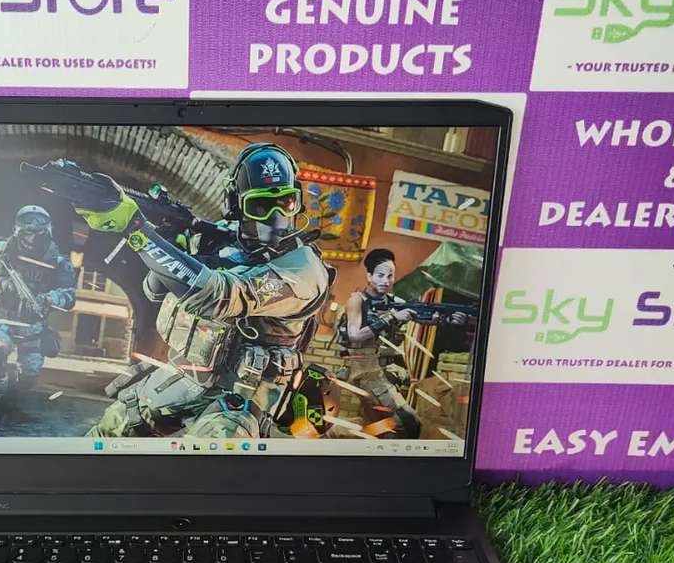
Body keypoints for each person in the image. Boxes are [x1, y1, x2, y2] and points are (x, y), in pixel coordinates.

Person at [80, 143, 333, 438]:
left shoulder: (305, 269)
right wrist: (172, 244)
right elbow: (154, 291)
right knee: (113, 426)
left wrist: (138, 232)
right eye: (260, 206)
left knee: (214, 449)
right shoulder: (224, 239)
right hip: (188, 376)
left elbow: (218, 297)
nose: (275, 215)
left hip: (248, 394)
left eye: (286, 203)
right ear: (236, 204)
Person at [336, 247, 463, 438]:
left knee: (380, 426)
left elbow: (424, 316)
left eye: (390, 276)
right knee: (408, 422)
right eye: (380, 275)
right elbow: (355, 335)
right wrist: (391, 317)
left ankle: (337, 434)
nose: (386, 281)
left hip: (389, 373)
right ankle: (338, 435)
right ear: (369, 276)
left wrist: (447, 319)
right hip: (365, 372)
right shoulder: (357, 300)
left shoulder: (396, 301)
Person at [0, 205, 76, 429]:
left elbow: (70, 296)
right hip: (1, 320)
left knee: (28, 376)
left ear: (47, 231)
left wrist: (49, 298)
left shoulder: (59, 261)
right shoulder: (0, 249)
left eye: (38, 233)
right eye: (27, 232)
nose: (32, 239)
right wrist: (0, 282)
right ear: (17, 229)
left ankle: (11, 397)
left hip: (33, 326)